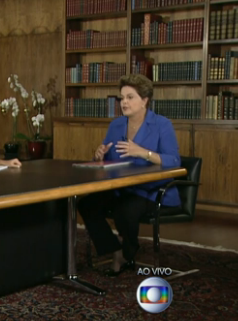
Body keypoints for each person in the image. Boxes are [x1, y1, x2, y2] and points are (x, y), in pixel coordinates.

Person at [78, 74, 181, 276]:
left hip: (150, 190)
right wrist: (99, 155)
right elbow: (108, 158)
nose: (124, 102)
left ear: (145, 100)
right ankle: (113, 249)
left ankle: (127, 253)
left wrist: (143, 152)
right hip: (120, 187)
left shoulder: (162, 125)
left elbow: (174, 161)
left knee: (125, 210)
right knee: (86, 204)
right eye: (122, 98)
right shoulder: (116, 125)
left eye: (130, 97)